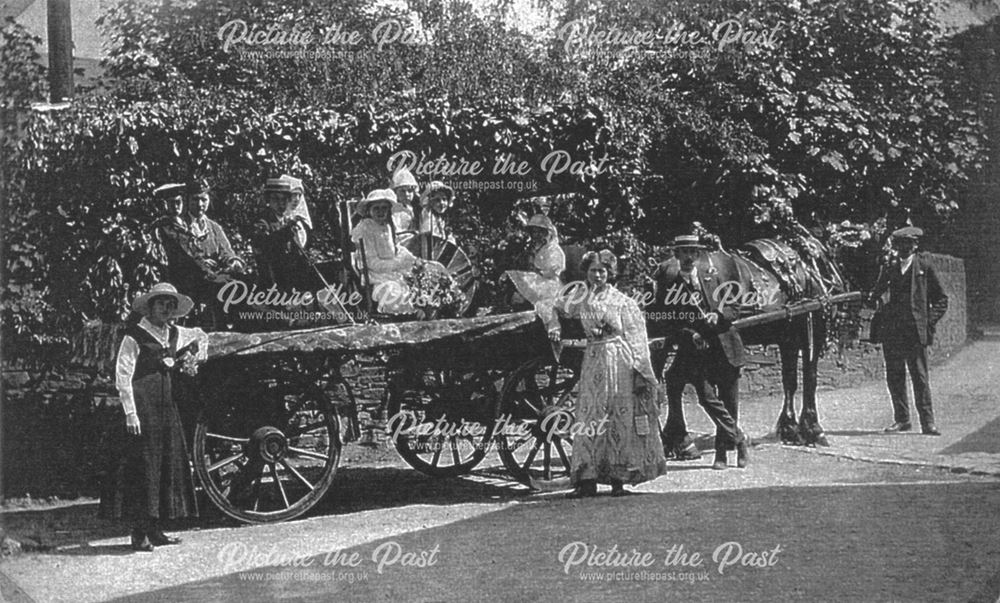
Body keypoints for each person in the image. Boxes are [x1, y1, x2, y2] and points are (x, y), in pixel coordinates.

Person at [546, 250, 667, 497]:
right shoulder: (580, 298)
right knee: (591, 416)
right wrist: (554, 325)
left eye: (602, 271)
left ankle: (618, 480)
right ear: (586, 273)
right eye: (593, 271)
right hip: (593, 359)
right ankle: (587, 480)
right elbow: (550, 306)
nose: (598, 275)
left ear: (610, 273)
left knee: (618, 416)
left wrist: (641, 370)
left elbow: (636, 338)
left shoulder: (623, 301)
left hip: (619, 359)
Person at [100, 283, 206, 551]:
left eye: (171, 305)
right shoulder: (134, 336)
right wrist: (130, 413)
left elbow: (201, 335)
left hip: (165, 408)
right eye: (161, 304)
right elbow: (122, 375)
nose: (166, 309)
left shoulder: (173, 333)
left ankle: (157, 529)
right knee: (143, 468)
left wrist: (197, 356)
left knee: (165, 466)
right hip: (143, 407)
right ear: (150, 307)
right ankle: (139, 533)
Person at [653, 234, 749, 470]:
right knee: (707, 399)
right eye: (683, 252)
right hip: (696, 352)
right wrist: (689, 333)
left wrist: (718, 314)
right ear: (676, 256)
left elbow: (735, 307)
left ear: (698, 255)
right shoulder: (670, 284)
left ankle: (722, 454)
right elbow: (667, 320)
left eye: (692, 252)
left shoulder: (714, 277)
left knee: (729, 401)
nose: (688, 257)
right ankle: (740, 439)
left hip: (725, 347)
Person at [867, 226, 948, 435]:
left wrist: (928, 321)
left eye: (908, 244)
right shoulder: (890, 266)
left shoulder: (924, 266)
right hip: (893, 330)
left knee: (919, 377)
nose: (904, 248)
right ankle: (902, 420)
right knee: (895, 376)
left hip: (914, 332)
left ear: (915, 245)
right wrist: (874, 299)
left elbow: (941, 299)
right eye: (900, 245)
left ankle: (928, 422)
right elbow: (877, 292)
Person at [351, 189, 420, 314]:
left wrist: (411, 259)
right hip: (376, 275)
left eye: (384, 208)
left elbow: (396, 248)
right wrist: (397, 264)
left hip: (393, 272)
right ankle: (398, 319)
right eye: (376, 208)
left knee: (419, 285)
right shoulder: (365, 228)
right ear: (369, 210)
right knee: (393, 293)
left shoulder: (387, 226)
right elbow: (371, 262)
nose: (380, 212)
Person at [253, 176, 313, 291]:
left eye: (284, 200)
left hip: (292, 281)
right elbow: (265, 245)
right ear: (268, 201)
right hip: (272, 282)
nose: (280, 204)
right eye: (275, 199)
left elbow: (299, 253)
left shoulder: (288, 221)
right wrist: (286, 232)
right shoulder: (262, 222)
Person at [505, 214, 567, 306]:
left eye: (540, 232)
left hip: (549, 285)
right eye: (534, 232)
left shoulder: (553, 249)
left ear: (546, 233)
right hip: (534, 281)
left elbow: (555, 270)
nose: (537, 235)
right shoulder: (531, 249)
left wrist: (539, 272)